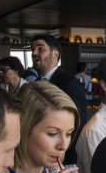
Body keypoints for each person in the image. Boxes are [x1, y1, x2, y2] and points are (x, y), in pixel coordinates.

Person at [30, 34, 87, 163]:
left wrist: (62, 151)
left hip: (62, 157)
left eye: (40, 49)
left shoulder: (69, 82)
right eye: (32, 49)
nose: (34, 53)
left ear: (55, 54)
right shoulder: (36, 84)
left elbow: (79, 122)